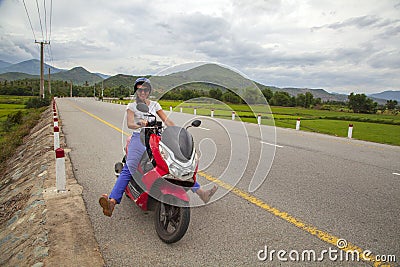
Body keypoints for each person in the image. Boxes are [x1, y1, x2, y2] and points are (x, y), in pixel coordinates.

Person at [99, 78, 218, 217]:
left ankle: (201, 193)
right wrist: (141, 124)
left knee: (175, 163)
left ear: (149, 91)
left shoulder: (155, 105)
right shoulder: (132, 106)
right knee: (130, 166)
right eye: (140, 89)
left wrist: (178, 132)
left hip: (156, 137)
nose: (142, 92)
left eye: (145, 89)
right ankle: (112, 201)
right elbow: (130, 124)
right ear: (136, 91)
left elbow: (166, 120)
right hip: (140, 138)